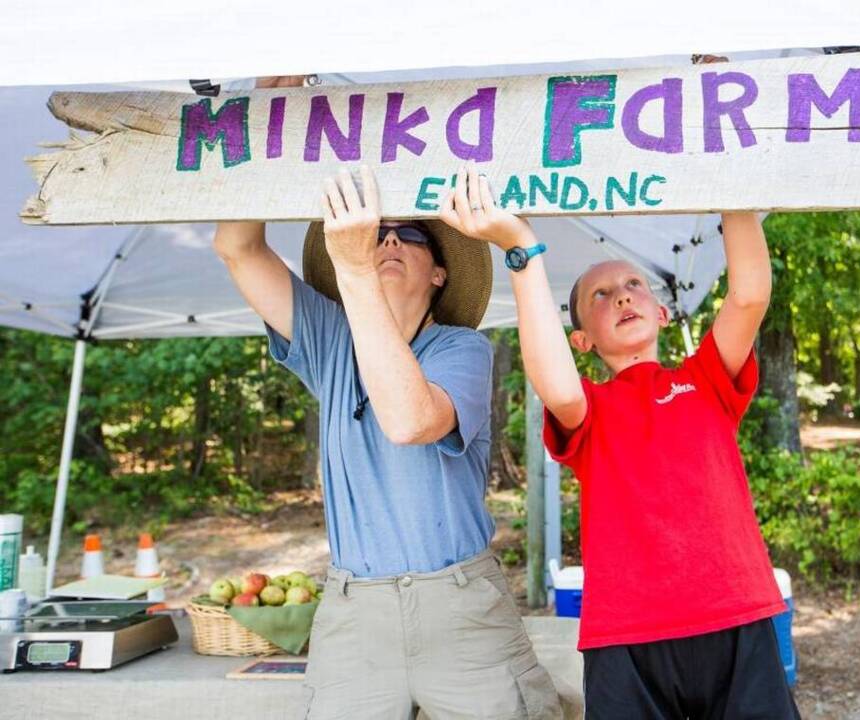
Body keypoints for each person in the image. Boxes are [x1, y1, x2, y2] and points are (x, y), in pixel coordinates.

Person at [213, 79, 560, 719]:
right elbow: (237, 247)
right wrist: (264, 111)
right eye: (379, 233)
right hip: (354, 610)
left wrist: (352, 269)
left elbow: (410, 419)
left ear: (441, 272)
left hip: (461, 605)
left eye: (411, 235)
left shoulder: (462, 349)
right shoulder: (328, 335)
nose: (390, 241)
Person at [440, 161, 800, 719]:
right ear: (581, 338)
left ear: (660, 310)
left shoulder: (704, 379)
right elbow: (554, 384)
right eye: (601, 295)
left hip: (737, 617)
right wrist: (522, 250)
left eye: (634, 285)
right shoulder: (589, 408)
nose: (623, 296)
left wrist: (731, 178)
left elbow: (749, 297)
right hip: (626, 638)